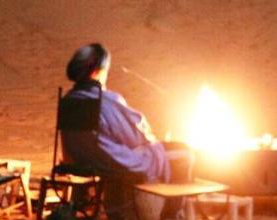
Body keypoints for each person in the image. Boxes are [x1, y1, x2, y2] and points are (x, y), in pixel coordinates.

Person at [60, 43, 190, 185]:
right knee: (185, 153)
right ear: (95, 72)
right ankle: (171, 206)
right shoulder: (106, 101)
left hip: (79, 160)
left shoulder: (69, 99)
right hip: (112, 161)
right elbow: (135, 137)